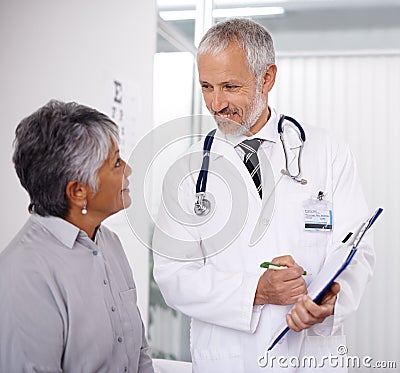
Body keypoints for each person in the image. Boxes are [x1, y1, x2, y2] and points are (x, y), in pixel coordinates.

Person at [152, 18, 375, 372]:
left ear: (267, 78)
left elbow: (357, 247)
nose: (216, 103)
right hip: (229, 359)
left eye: (230, 86)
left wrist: (332, 298)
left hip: (312, 356)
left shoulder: (326, 151)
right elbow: (172, 275)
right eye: (206, 86)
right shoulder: (187, 170)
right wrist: (256, 290)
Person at [0, 100, 154, 373]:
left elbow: (139, 354)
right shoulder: (24, 273)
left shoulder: (110, 244)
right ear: (78, 191)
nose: (128, 170)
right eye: (116, 163)